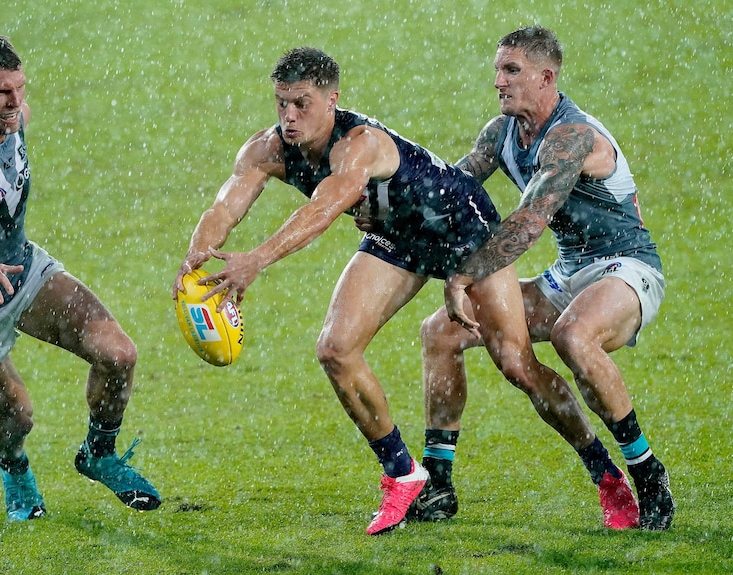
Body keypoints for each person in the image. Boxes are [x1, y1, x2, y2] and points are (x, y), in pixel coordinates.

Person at [173, 46, 631, 535]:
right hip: (398, 237)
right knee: (335, 349)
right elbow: (225, 208)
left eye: (302, 103)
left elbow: (324, 210)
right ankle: (403, 474)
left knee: (517, 365)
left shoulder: (360, 144)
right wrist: (193, 264)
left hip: (464, 231)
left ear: (332, 100)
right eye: (281, 103)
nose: (289, 116)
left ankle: (605, 474)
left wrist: (256, 260)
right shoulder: (264, 149)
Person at [425, 26, 675, 530]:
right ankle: (438, 484)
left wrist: (465, 274)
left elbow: (528, 222)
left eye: (511, 70)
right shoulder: (502, 133)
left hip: (626, 266)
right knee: (442, 331)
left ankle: (647, 473)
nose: (499, 80)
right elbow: (447, 189)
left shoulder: (572, 137)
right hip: (568, 272)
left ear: (546, 77)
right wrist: (382, 198)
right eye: (498, 69)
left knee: (572, 335)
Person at [0, 32, 161, 521]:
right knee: (16, 416)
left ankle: (99, 454)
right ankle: (13, 467)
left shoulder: (15, 116)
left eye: (19, 88)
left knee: (118, 354)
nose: (13, 102)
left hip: (22, 271)